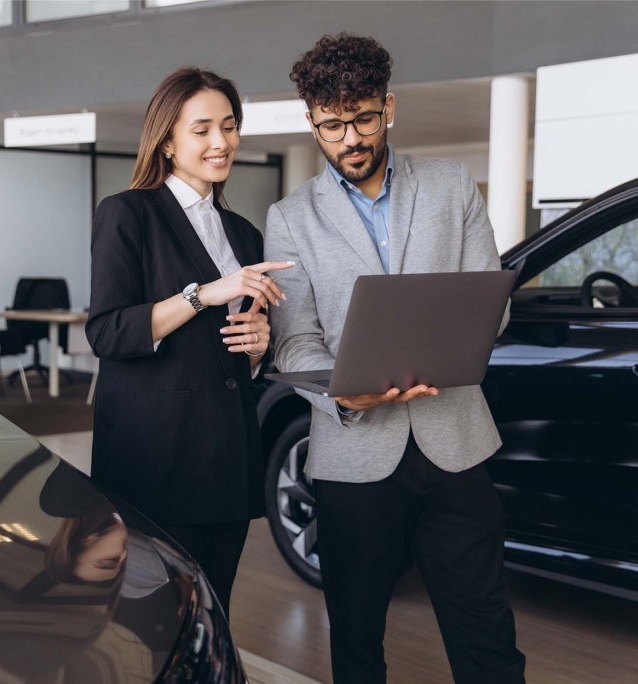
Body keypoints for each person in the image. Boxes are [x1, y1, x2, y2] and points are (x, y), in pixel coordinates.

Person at [265, 33, 526, 684]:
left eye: (362, 118)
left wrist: (453, 342)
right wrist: (338, 395)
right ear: (311, 123)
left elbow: (491, 302)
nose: (349, 138)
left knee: (488, 639)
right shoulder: (290, 218)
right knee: (355, 646)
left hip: (455, 443)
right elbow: (293, 338)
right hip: (353, 460)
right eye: (331, 125)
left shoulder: (448, 185)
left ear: (388, 106)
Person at [86, 67, 293, 619]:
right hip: (155, 462)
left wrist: (257, 346)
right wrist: (202, 294)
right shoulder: (127, 213)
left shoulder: (243, 233)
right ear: (167, 141)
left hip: (225, 459)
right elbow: (107, 331)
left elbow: (243, 351)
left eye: (229, 126)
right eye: (201, 129)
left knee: (213, 617)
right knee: (152, 624)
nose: (220, 142)